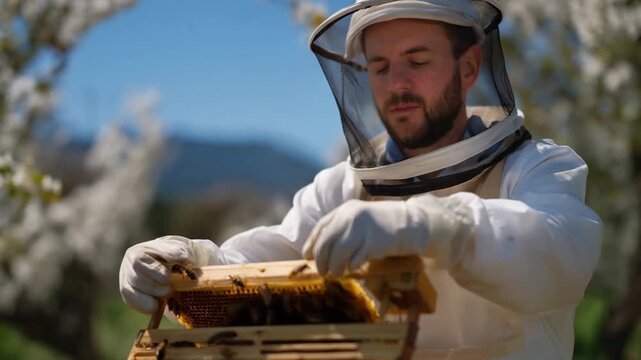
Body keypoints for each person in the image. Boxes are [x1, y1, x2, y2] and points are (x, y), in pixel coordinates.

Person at [119, 0, 603, 358]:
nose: (396, 85)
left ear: (469, 66)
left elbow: (557, 256)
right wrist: (189, 262)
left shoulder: (539, 167)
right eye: (380, 67)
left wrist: (440, 226)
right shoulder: (340, 190)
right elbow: (260, 264)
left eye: (417, 61)